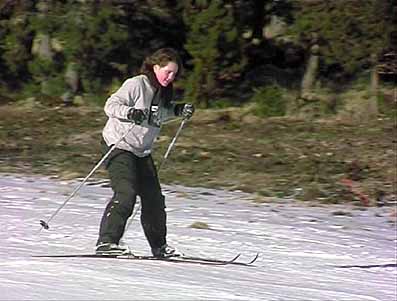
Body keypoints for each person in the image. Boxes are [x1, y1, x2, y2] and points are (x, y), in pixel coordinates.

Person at [96, 48, 194, 257]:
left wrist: (178, 110)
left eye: (174, 74)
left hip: (141, 151)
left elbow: (158, 115)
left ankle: (159, 247)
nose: (170, 77)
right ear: (155, 66)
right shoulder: (136, 84)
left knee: (154, 200)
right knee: (126, 192)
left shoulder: (163, 91)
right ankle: (107, 242)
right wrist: (131, 112)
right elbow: (110, 105)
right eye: (167, 71)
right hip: (118, 145)